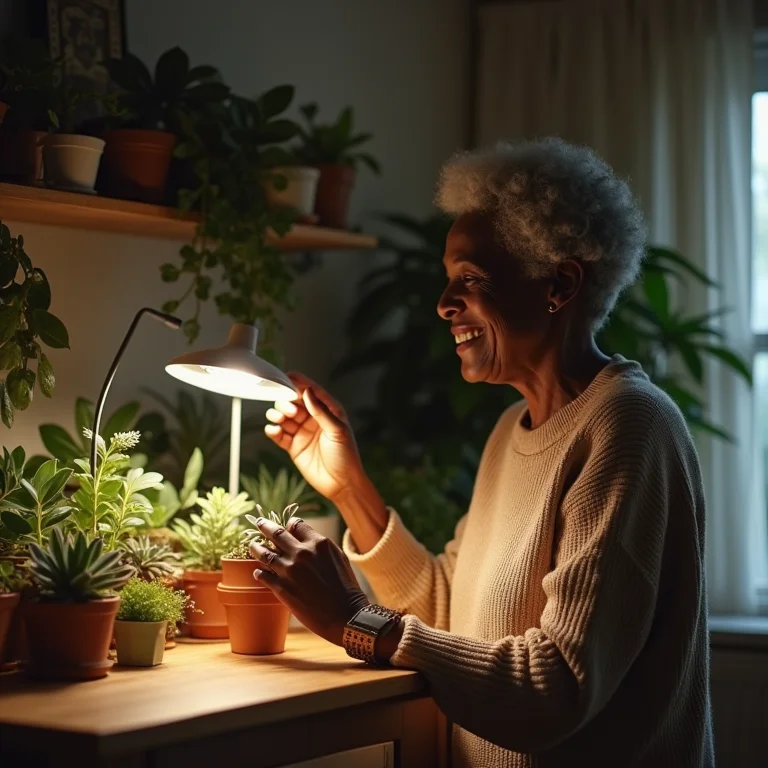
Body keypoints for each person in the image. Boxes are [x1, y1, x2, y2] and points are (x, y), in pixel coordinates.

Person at [248, 139, 713, 767]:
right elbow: (449, 610)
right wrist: (351, 488)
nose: (444, 304)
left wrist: (355, 619)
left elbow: (556, 690)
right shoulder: (509, 430)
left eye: (469, 279)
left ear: (559, 284)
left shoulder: (628, 426)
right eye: (448, 281)